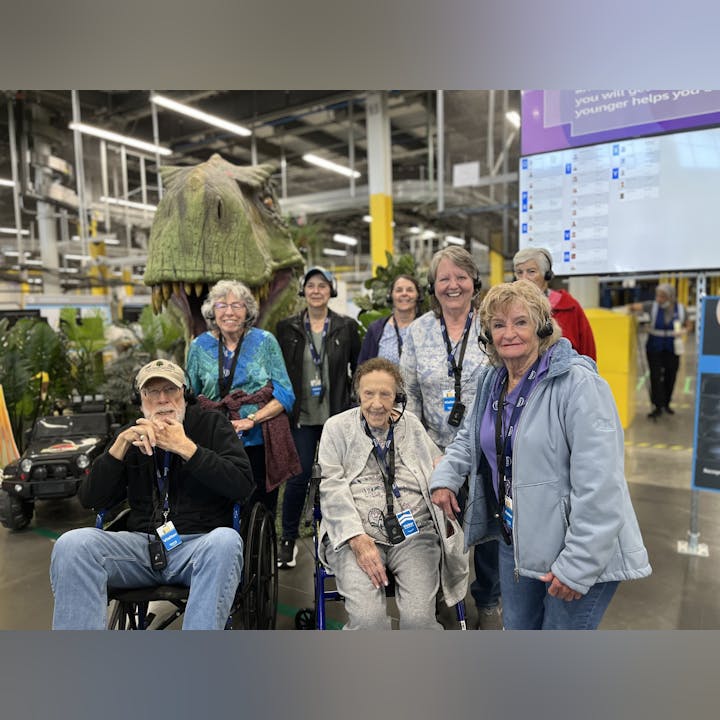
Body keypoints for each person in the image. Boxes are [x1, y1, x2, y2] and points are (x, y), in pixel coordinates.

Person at [430, 281, 652, 630]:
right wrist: (445, 478)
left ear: (543, 326)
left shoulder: (577, 384)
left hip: (576, 547)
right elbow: (468, 438)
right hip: (517, 538)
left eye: (520, 322)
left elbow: (601, 485)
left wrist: (578, 564)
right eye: (498, 325)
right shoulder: (493, 381)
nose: (508, 334)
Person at [49, 359, 255, 630]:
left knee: (226, 541)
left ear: (185, 392)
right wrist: (119, 447)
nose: (162, 399)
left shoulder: (211, 424)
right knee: (72, 545)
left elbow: (242, 486)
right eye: (152, 392)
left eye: (170, 389)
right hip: (141, 547)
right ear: (141, 399)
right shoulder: (131, 435)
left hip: (198, 546)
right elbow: (90, 499)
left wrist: (187, 449)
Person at [318, 357, 468, 629]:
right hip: (356, 538)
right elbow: (330, 486)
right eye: (368, 394)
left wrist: (446, 478)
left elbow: (435, 463)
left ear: (397, 396)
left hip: (414, 535)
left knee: (419, 621)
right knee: (368, 622)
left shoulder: (410, 424)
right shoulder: (336, 428)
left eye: (385, 394)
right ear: (357, 394)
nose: (376, 403)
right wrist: (357, 539)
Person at [399, 246, 500, 629]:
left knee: (489, 532)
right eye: (444, 278)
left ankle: (488, 602)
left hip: (487, 448)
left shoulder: (491, 325)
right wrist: (427, 452)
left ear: (474, 283)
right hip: (433, 452)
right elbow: (406, 395)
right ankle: (445, 594)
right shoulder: (419, 330)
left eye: (461, 277)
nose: (453, 285)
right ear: (433, 286)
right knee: (439, 529)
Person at [186, 280, 299, 515]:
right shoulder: (198, 345)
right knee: (218, 507)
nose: (229, 312)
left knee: (260, 506)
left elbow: (285, 393)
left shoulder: (265, 341)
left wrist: (253, 419)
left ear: (247, 310)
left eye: (237, 305)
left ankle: (262, 549)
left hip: (258, 439)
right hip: (214, 440)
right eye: (222, 305)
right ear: (212, 311)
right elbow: (189, 396)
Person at [275, 266, 361, 568]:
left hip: (335, 416)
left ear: (331, 290)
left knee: (337, 477)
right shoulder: (287, 329)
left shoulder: (346, 327)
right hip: (302, 417)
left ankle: (339, 537)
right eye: (310, 285)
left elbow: (359, 370)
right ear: (304, 290)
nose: (316, 290)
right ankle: (287, 539)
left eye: (322, 285)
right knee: (298, 479)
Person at [513, 246, 597, 360]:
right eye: (519, 273)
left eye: (531, 272)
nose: (524, 279)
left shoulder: (569, 307)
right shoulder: (510, 308)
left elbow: (588, 351)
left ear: (546, 275)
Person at [629, 283, 690, 419]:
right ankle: (657, 406)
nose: (659, 299)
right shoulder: (652, 306)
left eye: (662, 296)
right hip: (654, 347)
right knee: (655, 377)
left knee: (671, 376)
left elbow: (688, 323)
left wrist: (684, 330)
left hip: (673, 348)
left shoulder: (680, 309)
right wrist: (631, 309)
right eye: (658, 295)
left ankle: (666, 403)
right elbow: (635, 307)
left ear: (670, 297)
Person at [357, 274, 422, 365]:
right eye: (399, 290)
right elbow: (362, 368)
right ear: (390, 296)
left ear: (418, 296)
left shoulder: (428, 327)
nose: (404, 293)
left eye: (409, 290)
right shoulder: (376, 329)